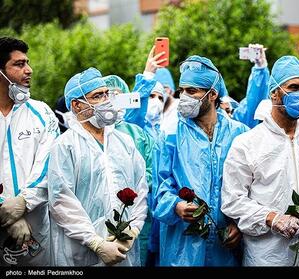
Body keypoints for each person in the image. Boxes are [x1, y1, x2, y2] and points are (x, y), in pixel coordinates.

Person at [221, 55, 299, 266]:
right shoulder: (247, 144)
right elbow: (233, 200)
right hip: (268, 256)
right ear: (274, 93)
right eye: (293, 87)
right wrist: (271, 218)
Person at [153, 55, 249, 266]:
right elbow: (159, 187)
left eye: (192, 91)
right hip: (182, 247)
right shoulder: (170, 134)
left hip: (226, 248)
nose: (184, 96)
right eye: (182, 90)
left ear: (212, 94)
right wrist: (175, 205)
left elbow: (251, 188)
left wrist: (240, 224)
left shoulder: (239, 134)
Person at [47, 67, 148, 266]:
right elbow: (61, 201)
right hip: (81, 252)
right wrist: (96, 243)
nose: (106, 101)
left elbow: (140, 189)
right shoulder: (65, 145)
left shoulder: (124, 142)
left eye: (106, 94)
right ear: (76, 105)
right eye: (97, 96)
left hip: (124, 249)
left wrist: (132, 230)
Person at [0, 37, 59, 266]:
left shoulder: (42, 113)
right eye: (19, 64)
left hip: (36, 235)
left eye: (28, 63)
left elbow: (50, 163)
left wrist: (24, 201)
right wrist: (5, 212)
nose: (29, 70)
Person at [103, 74, 155, 266]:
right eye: (107, 95)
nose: (112, 100)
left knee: (134, 254)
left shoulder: (137, 134)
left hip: (136, 209)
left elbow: (150, 170)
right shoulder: (93, 133)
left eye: (117, 95)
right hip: (102, 210)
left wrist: (131, 190)